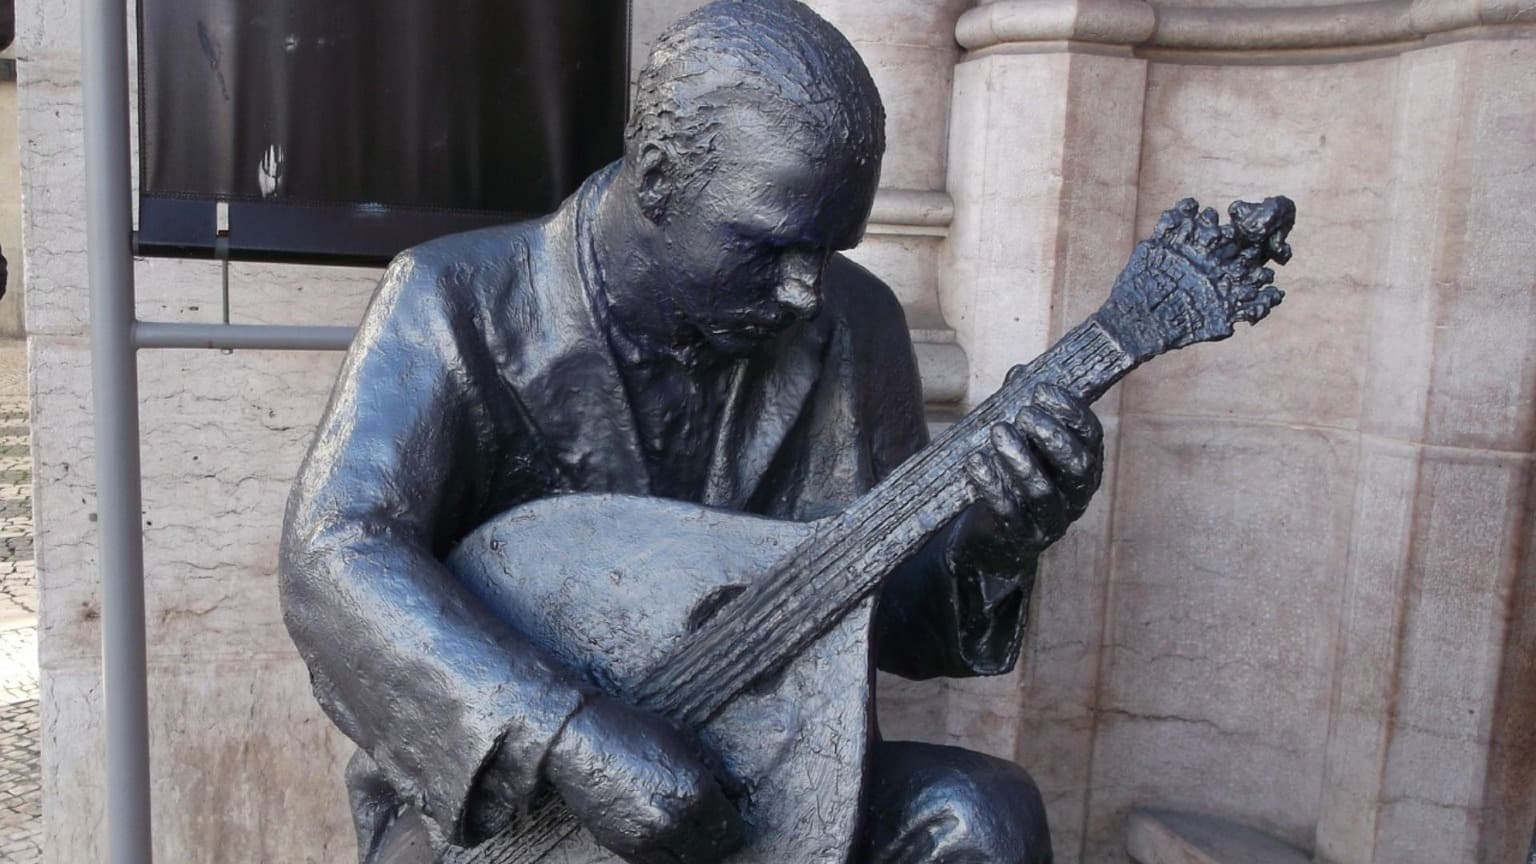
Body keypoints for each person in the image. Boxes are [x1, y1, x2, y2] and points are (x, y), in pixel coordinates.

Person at [279, 2, 1103, 862]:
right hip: (522, 811)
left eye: (830, 250)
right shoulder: (455, 303)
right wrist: (568, 736)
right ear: (661, 175)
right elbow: (335, 550)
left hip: (776, 780)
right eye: (768, 248)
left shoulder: (856, 325)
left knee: (984, 816)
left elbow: (888, 612)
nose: (804, 292)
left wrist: (997, 535)